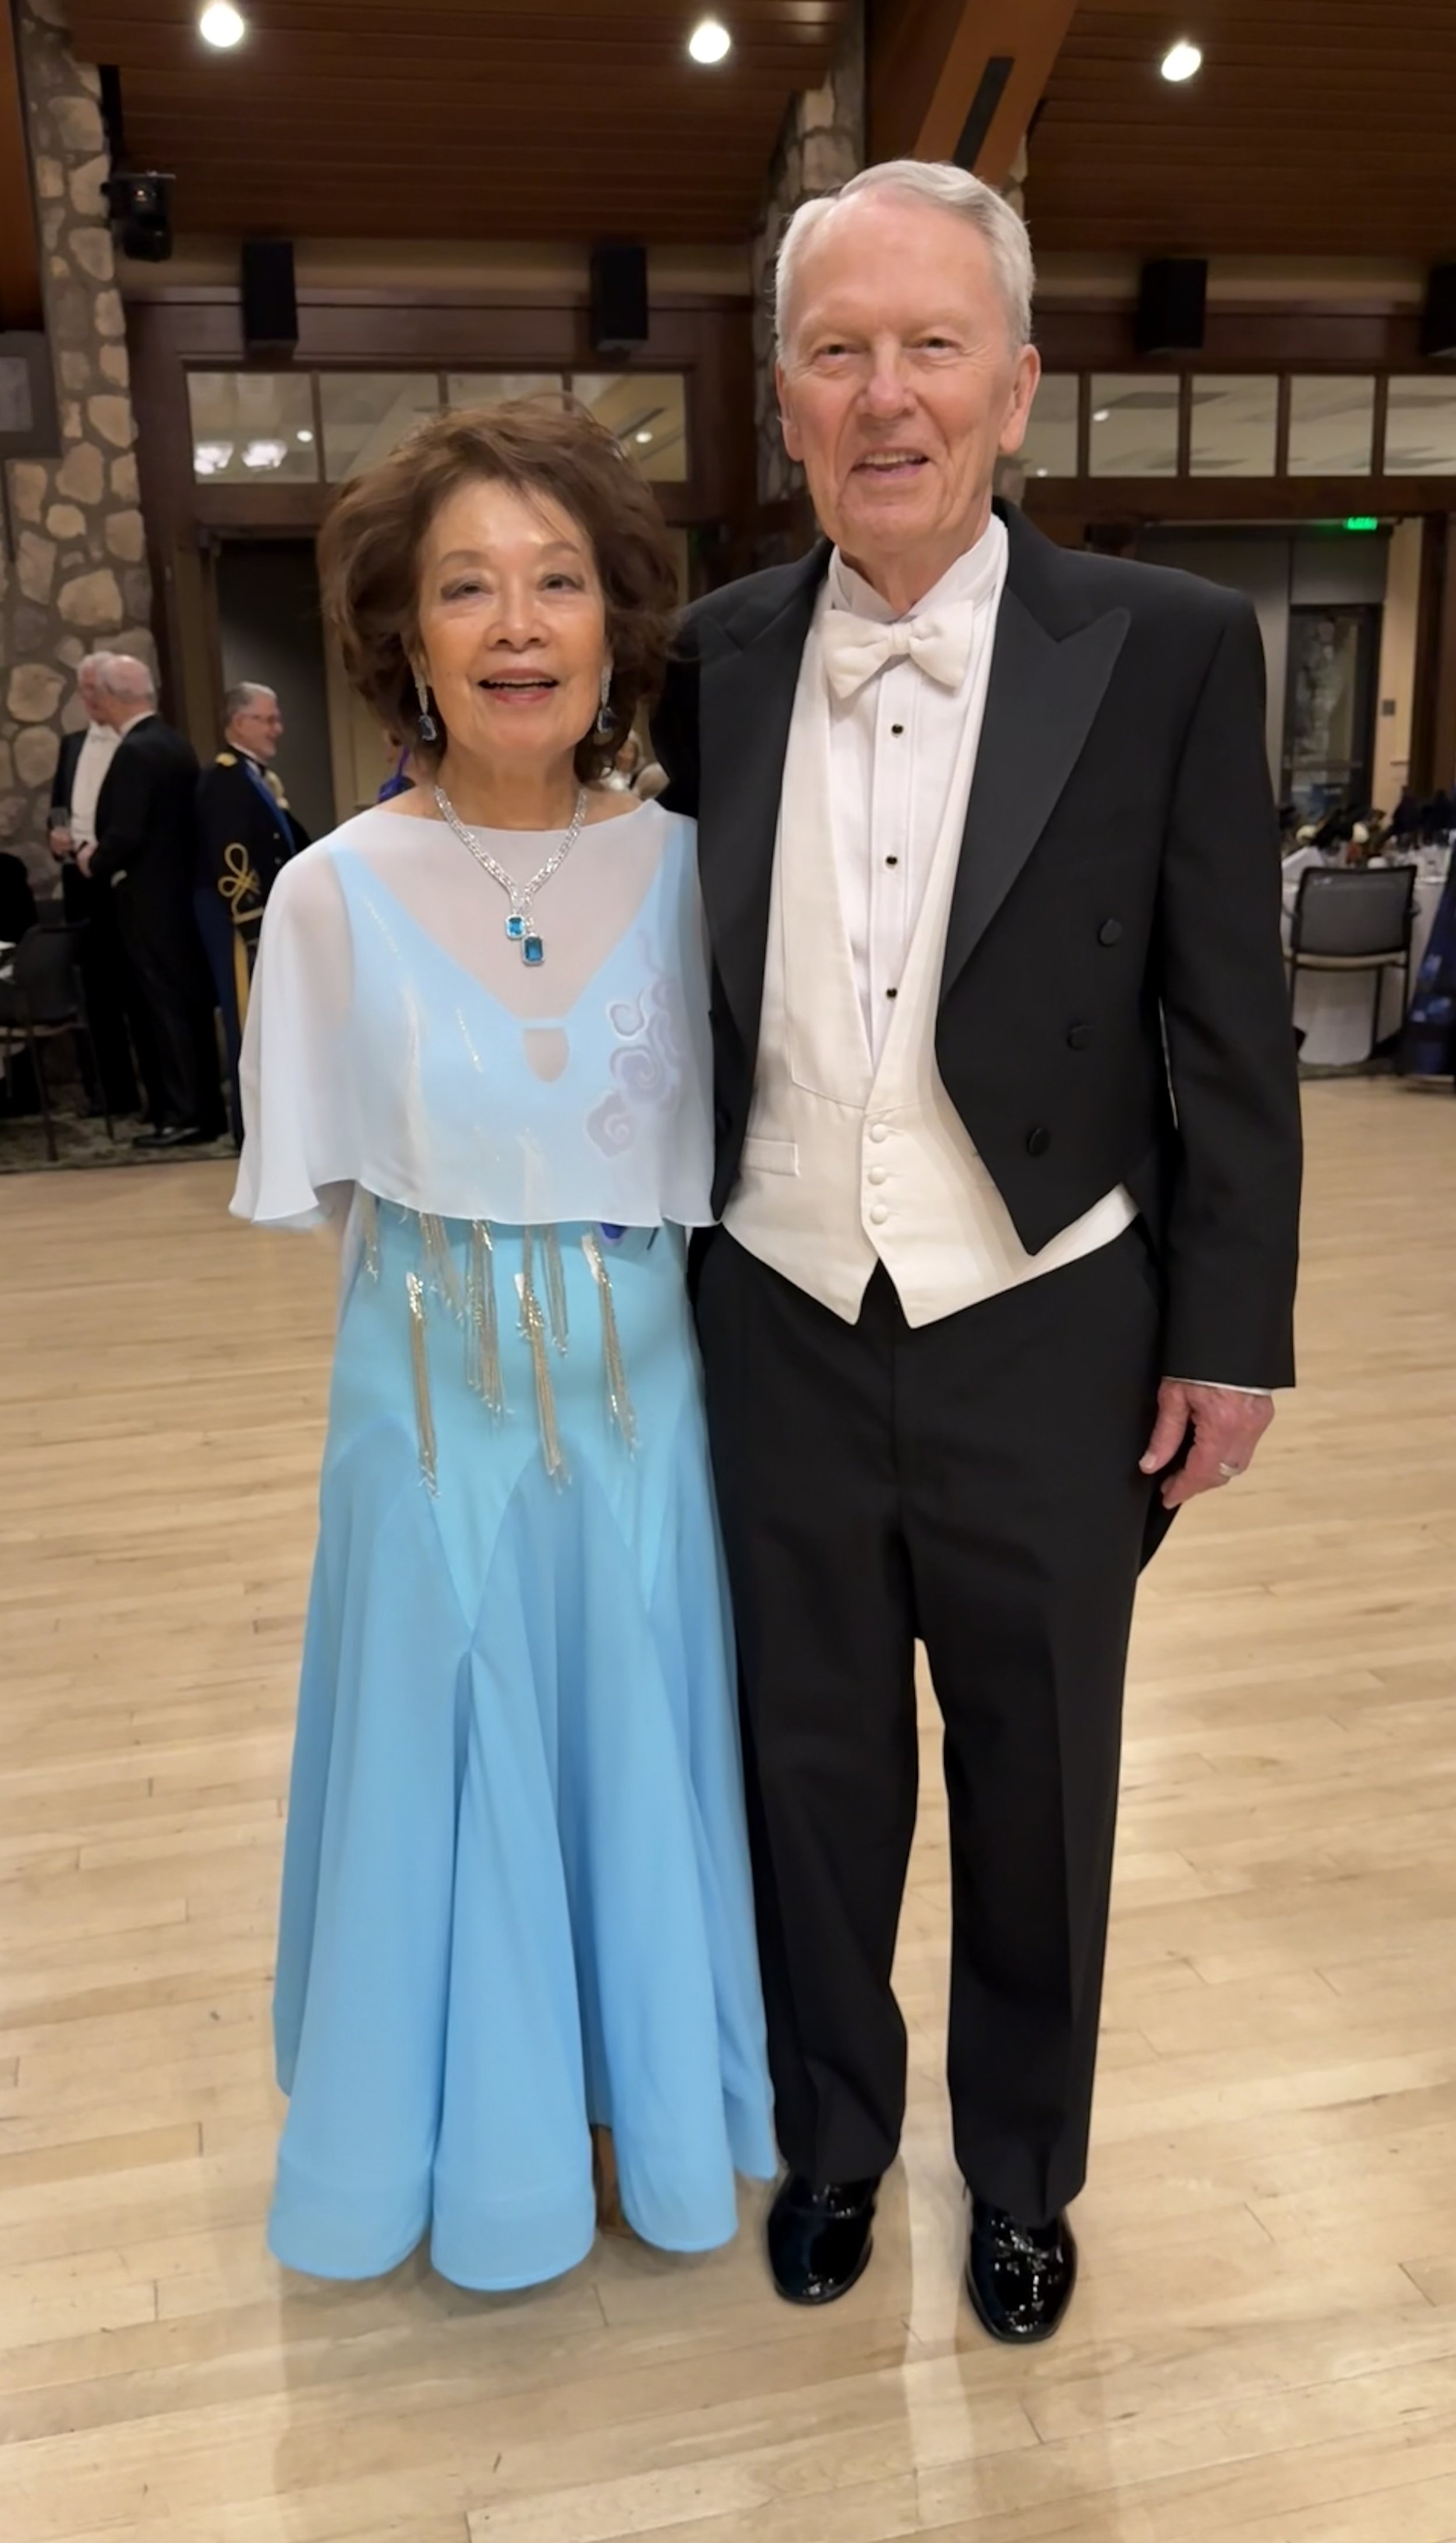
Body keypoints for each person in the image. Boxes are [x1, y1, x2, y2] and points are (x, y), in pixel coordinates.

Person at [653, 160, 1303, 2341]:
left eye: (931, 346)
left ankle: (1021, 2171)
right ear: (781, 397)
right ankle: (833, 2135)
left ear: (1015, 387)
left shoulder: (1169, 645)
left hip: (1046, 1312)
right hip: (773, 1313)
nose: (885, 394)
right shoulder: (712, 656)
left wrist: (1230, 1330)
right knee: (808, 1774)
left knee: (1040, 1785)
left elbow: (1229, 1023)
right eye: (836, 350)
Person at [233, 402, 774, 2291]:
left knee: (635, 1737)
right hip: (424, 1416)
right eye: (468, 587)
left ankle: (645, 2113)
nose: (518, 624)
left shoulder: (703, 873)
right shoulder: (329, 894)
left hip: (648, 1419)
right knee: (440, 1756)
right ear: (407, 632)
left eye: (558, 581)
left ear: (620, 618)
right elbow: (336, 1191)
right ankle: (466, 2146)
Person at [83, 656, 225, 1149]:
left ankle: (184, 1114)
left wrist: (93, 861)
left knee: (165, 1008)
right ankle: (203, 1108)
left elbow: (126, 831)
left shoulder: (135, 751)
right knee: (186, 1004)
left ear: (111, 698)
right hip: (180, 895)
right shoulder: (174, 742)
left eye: (96, 695)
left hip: (148, 899)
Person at [195, 682, 309, 1141]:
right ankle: (255, 1131)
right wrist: (252, 922)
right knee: (249, 1021)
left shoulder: (253, 777)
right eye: (268, 719)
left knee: (266, 1019)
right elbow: (232, 856)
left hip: (262, 918)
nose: (277, 729)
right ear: (240, 723)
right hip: (237, 922)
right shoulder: (225, 779)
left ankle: (272, 1124)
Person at [48, 652, 141, 1118]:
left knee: (137, 989)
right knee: (95, 994)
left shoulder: (135, 745)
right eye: (84, 689)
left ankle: (155, 1096)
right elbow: (59, 808)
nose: (90, 699)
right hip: (80, 883)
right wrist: (56, 838)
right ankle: (110, 1095)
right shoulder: (71, 745)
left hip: (123, 880)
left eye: (96, 689)